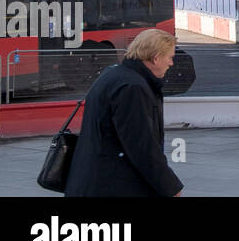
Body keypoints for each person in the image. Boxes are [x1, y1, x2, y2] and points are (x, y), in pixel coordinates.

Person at [64, 28, 184, 197]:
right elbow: (141, 145)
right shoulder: (132, 88)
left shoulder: (115, 74)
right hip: (112, 186)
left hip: (94, 181)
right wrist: (171, 187)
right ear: (156, 58)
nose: (171, 63)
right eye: (170, 57)